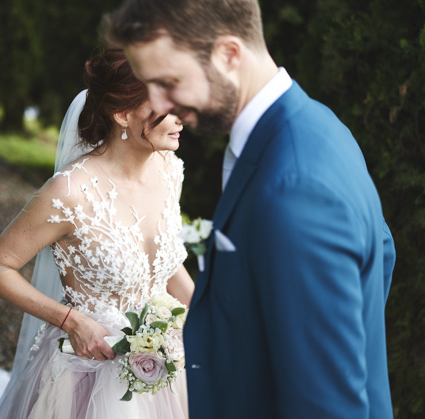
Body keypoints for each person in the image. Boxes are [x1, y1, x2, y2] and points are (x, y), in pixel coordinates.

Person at [103, 1, 396, 418]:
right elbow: (382, 256)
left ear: (229, 53)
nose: (158, 102)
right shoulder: (318, 126)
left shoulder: (294, 186)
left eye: (168, 81)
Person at [0, 48, 194, 419]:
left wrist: (208, 316)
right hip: (85, 373)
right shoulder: (69, 193)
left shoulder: (169, 169)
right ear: (122, 114)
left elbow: (161, 260)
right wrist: (71, 321)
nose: (182, 116)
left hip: (166, 365)